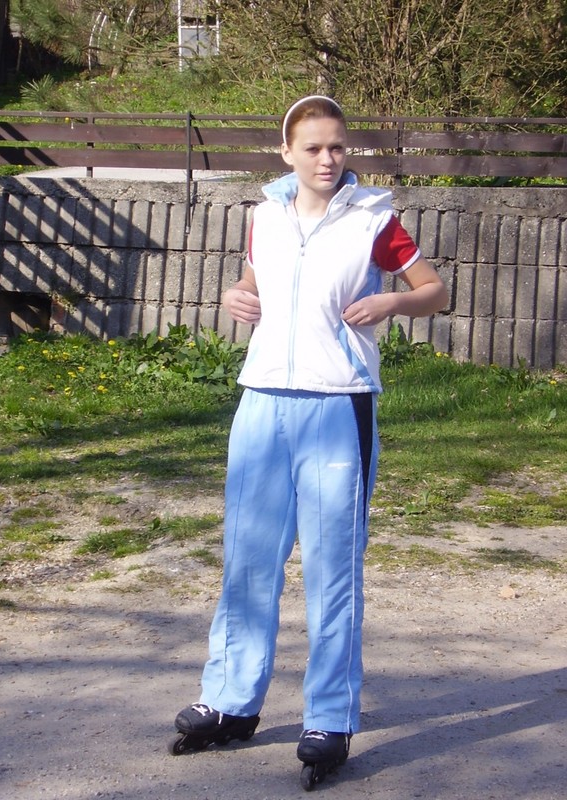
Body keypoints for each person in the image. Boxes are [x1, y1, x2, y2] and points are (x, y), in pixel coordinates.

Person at [169, 96, 449, 786]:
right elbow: (253, 281)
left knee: (332, 568)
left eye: (337, 147)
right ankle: (230, 702)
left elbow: (434, 290)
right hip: (262, 399)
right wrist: (237, 294)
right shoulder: (264, 216)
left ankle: (329, 718)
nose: (328, 159)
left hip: (338, 405)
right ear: (286, 152)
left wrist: (392, 301)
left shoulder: (376, 220)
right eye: (314, 148)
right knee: (247, 559)